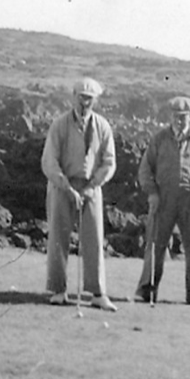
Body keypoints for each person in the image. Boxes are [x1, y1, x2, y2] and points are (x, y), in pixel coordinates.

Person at [41, 77, 118, 311]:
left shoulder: (103, 126)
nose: (85, 102)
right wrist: (66, 186)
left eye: (89, 98)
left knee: (94, 238)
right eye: (81, 97)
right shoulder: (59, 124)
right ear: (73, 97)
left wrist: (93, 186)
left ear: (95, 100)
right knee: (58, 236)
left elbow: (109, 162)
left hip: (91, 187)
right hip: (61, 186)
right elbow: (49, 161)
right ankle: (58, 290)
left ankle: (97, 293)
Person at [135, 96, 190, 307]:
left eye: (183, 117)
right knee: (155, 246)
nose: (179, 120)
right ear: (170, 116)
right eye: (175, 116)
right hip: (164, 199)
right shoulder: (159, 139)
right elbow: (145, 169)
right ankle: (146, 292)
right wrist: (152, 192)